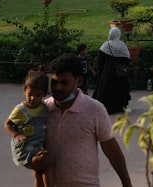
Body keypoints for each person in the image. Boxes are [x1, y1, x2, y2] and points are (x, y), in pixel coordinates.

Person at [37, 54, 133, 187]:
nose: (58, 87)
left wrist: (126, 182)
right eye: (54, 82)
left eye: (64, 83)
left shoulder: (94, 109)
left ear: (79, 81)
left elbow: (111, 148)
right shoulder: (42, 110)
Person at [4, 69, 53, 187]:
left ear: (44, 94)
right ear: (24, 91)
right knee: (47, 164)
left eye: (38, 95)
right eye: (30, 94)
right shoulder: (20, 110)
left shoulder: (44, 108)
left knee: (38, 172)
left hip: (38, 145)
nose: (33, 98)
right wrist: (16, 135)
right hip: (24, 148)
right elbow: (7, 124)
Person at [92, 26, 131, 114]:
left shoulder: (105, 45)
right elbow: (127, 59)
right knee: (120, 89)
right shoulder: (122, 45)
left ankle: (106, 107)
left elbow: (100, 60)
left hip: (107, 74)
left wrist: (100, 71)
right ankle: (119, 106)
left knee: (106, 90)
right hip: (119, 74)